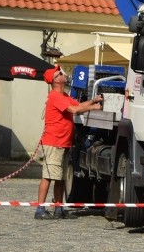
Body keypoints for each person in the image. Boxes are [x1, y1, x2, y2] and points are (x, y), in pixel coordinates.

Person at [35, 65, 103, 220]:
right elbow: (74, 110)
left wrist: (94, 101)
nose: (64, 74)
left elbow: (78, 105)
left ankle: (58, 209)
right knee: (48, 176)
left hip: (64, 142)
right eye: (60, 73)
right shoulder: (55, 96)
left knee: (60, 179)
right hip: (53, 142)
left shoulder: (63, 95)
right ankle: (40, 209)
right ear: (55, 80)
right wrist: (96, 107)